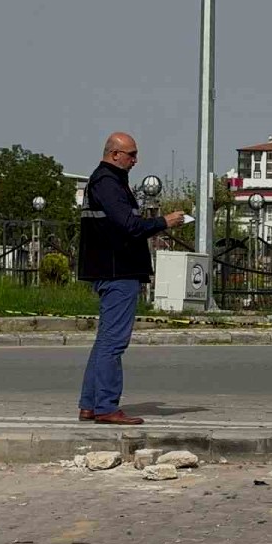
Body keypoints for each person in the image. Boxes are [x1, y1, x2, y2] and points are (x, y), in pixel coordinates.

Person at [77, 132, 186, 425]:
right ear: (115, 154)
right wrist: (164, 222)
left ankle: (90, 404)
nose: (136, 160)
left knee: (105, 341)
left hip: (113, 270)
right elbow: (128, 225)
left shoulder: (107, 181)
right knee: (113, 342)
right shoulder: (107, 182)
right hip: (117, 271)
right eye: (132, 154)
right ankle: (106, 406)